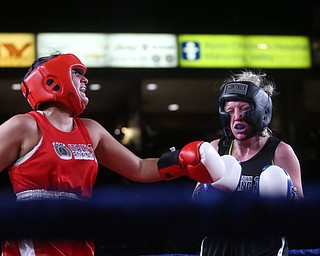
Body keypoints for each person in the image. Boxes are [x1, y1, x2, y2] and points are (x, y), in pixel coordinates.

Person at [0, 52, 220, 256]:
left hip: (80, 233)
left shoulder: (91, 129)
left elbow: (139, 168)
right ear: (50, 79)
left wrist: (181, 160)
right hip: (34, 234)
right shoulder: (25, 125)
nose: (85, 80)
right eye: (76, 73)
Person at [192, 70, 304, 256]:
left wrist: (285, 194)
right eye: (230, 111)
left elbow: (300, 212)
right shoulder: (215, 149)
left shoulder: (280, 151)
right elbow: (195, 207)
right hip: (218, 243)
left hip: (264, 245)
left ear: (261, 111)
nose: (237, 117)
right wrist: (207, 190)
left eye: (244, 110)